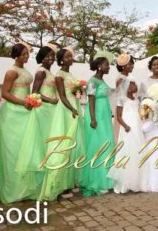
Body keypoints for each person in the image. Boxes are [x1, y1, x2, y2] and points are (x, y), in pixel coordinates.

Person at [0, 41, 44, 204]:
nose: (26, 56)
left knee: (27, 147)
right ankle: (13, 190)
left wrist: (31, 100)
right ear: (16, 55)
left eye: (27, 54)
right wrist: (23, 102)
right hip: (13, 112)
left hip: (26, 110)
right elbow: (4, 93)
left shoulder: (24, 70)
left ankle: (27, 188)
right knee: (13, 149)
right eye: (24, 54)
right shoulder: (11, 72)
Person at [39, 47, 85, 200]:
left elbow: (71, 93)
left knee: (73, 145)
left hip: (73, 107)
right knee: (64, 145)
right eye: (67, 57)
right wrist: (72, 108)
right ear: (61, 60)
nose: (70, 59)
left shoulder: (69, 74)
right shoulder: (59, 75)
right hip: (66, 110)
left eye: (71, 56)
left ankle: (69, 181)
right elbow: (62, 96)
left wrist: (78, 93)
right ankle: (60, 184)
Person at [80, 51, 116, 197]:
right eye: (107, 65)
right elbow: (91, 100)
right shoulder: (92, 81)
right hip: (96, 115)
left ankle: (107, 179)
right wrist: (93, 119)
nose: (109, 67)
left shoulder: (102, 81)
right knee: (98, 145)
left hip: (105, 114)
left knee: (107, 143)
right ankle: (97, 181)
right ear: (100, 66)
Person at [108, 53, 145, 193]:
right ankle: (125, 180)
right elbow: (119, 98)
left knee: (138, 147)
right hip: (126, 119)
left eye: (132, 64)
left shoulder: (132, 87)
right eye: (130, 64)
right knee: (127, 147)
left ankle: (137, 178)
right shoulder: (121, 80)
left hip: (135, 120)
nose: (132, 66)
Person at [33, 43, 60, 144]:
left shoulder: (49, 72)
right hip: (44, 107)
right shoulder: (41, 72)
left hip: (51, 107)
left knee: (51, 134)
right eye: (48, 56)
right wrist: (50, 100)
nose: (51, 58)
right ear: (42, 58)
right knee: (45, 134)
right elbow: (34, 92)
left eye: (52, 56)